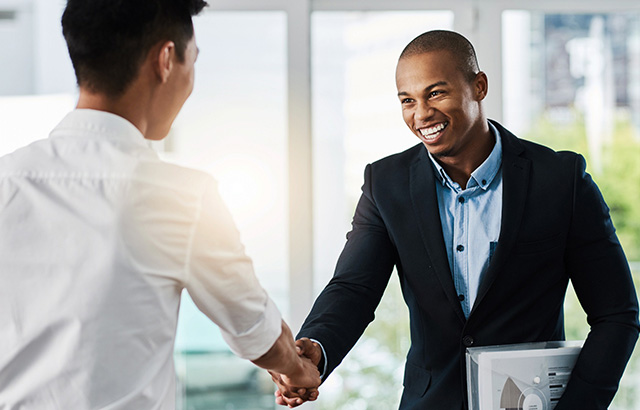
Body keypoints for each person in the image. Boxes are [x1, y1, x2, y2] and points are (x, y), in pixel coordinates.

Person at [271, 30, 639, 409]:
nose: (421, 114)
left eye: (435, 93)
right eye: (407, 100)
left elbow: (617, 314)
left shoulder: (560, 180)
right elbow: (353, 289)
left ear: (478, 86)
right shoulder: (386, 184)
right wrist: (316, 348)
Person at [0, 0, 319, 408]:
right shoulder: (181, 197)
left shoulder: (8, 178)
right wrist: (296, 369)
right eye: (193, 62)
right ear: (166, 59)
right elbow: (253, 327)